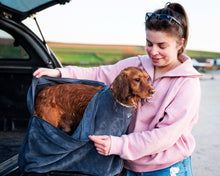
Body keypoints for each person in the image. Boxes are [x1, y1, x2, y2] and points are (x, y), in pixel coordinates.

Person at [33, 2, 202, 176]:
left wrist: (118, 145)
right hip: (127, 164)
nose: (153, 51)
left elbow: (165, 136)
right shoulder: (135, 64)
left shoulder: (187, 84)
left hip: (165, 167)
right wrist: (60, 72)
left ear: (180, 44)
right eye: (149, 43)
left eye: (162, 46)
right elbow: (98, 74)